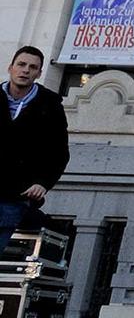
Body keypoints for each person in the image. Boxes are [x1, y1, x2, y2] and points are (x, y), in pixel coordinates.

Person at [0, 46, 67, 237]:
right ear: (10, 67)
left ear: (39, 73)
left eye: (32, 67)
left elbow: (59, 152)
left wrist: (43, 183)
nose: (25, 70)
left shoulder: (50, 105)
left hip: (15, 196)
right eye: (21, 64)